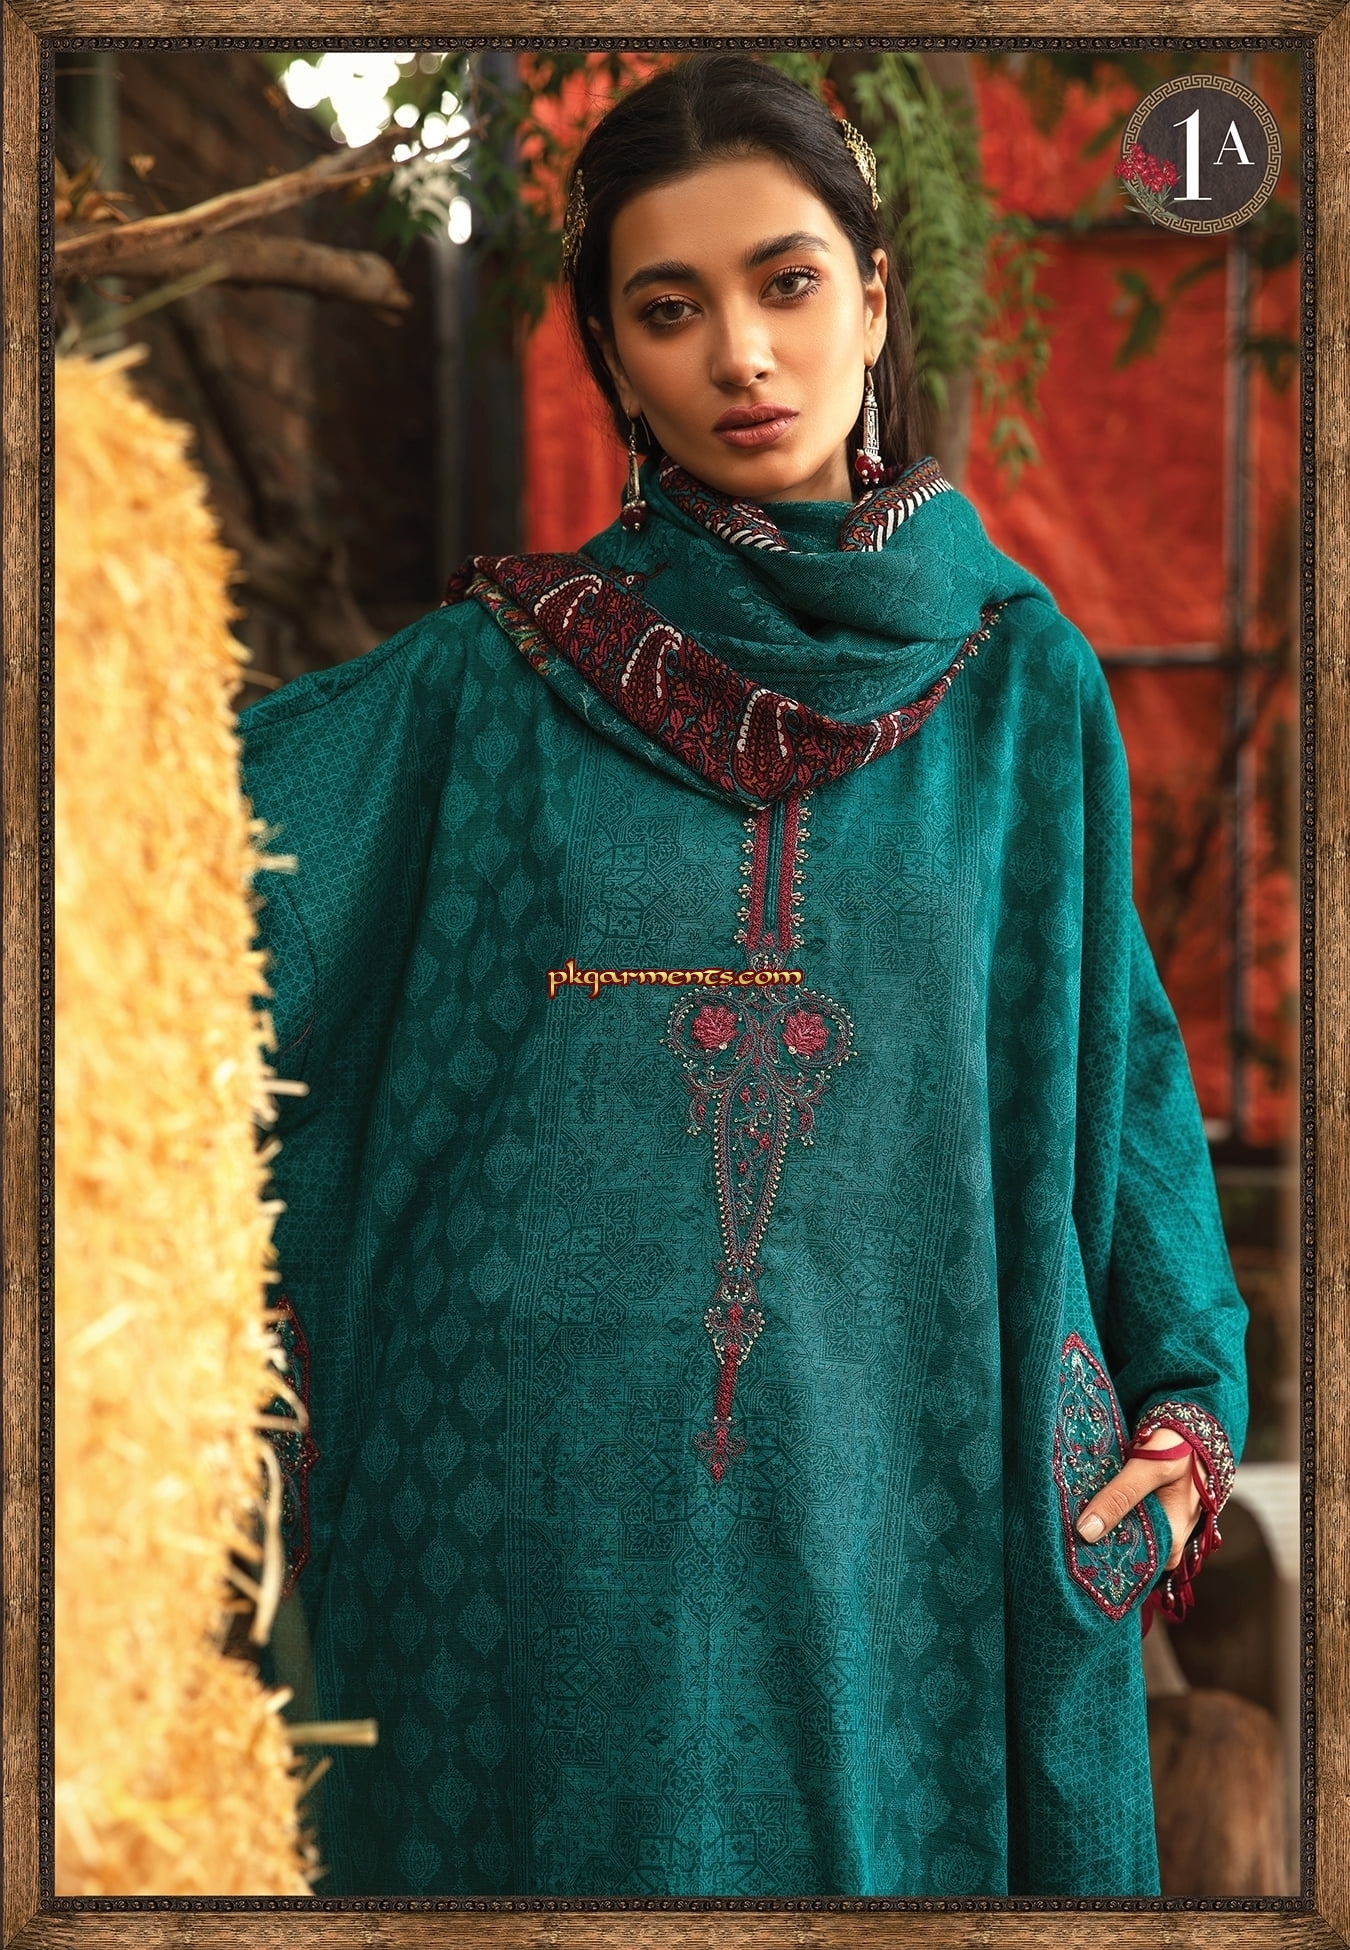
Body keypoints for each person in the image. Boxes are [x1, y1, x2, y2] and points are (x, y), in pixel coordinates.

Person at [240, 53, 1248, 1901]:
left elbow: (1113, 1066)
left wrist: (1184, 1397)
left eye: (784, 283)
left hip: (900, 1509)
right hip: (522, 1531)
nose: (741, 355)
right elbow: (171, 865)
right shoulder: (492, 678)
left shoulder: (1019, 687)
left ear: (873, 293)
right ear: (614, 360)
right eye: (668, 309)